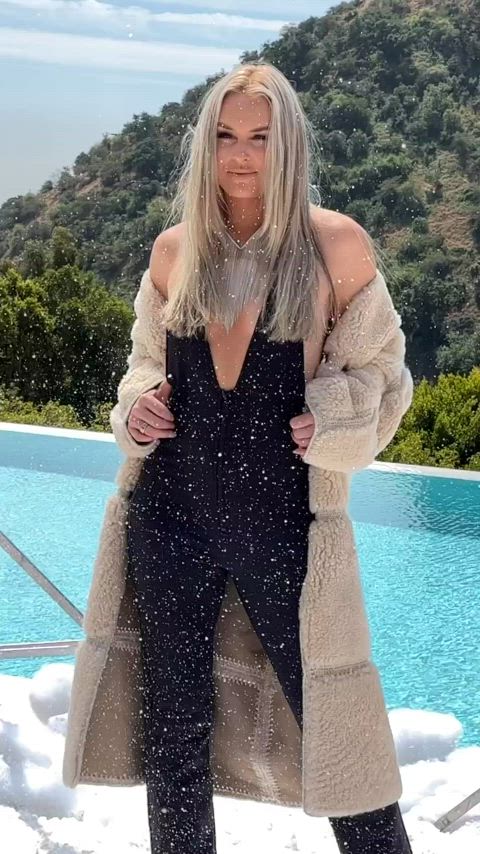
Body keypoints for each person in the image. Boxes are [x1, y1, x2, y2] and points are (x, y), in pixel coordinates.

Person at [123, 63, 414, 853]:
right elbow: (144, 365)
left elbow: (385, 377)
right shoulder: (174, 250)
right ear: (205, 146)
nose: (241, 156)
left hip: (286, 529)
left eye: (260, 136)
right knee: (172, 735)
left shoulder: (335, 245)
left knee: (337, 730)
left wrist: (333, 417)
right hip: (169, 520)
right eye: (225, 136)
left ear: (289, 144)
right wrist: (139, 405)